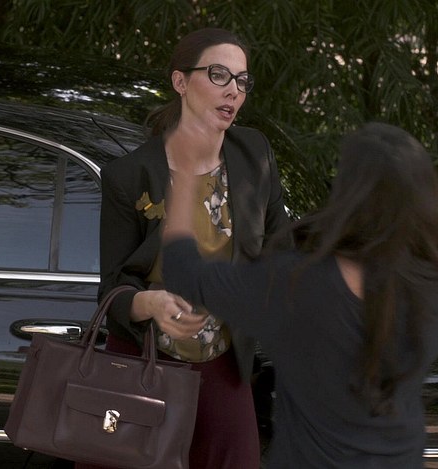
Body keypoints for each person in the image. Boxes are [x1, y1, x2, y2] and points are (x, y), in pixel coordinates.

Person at [161, 122, 438, 468]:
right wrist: (433, 206)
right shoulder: (431, 291)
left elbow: (183, 270)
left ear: (345, 192)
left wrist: (187, 171)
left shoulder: (293, 284)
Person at [91, 28, 290, 469]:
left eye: (242, 81)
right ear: (180, 82)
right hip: (145, 366)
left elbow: (282, 246)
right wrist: (151, 303)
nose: (234, 90)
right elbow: (112, 289)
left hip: (224, 364)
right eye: (219, 75)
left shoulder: (254, 153)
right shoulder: (130, 175)